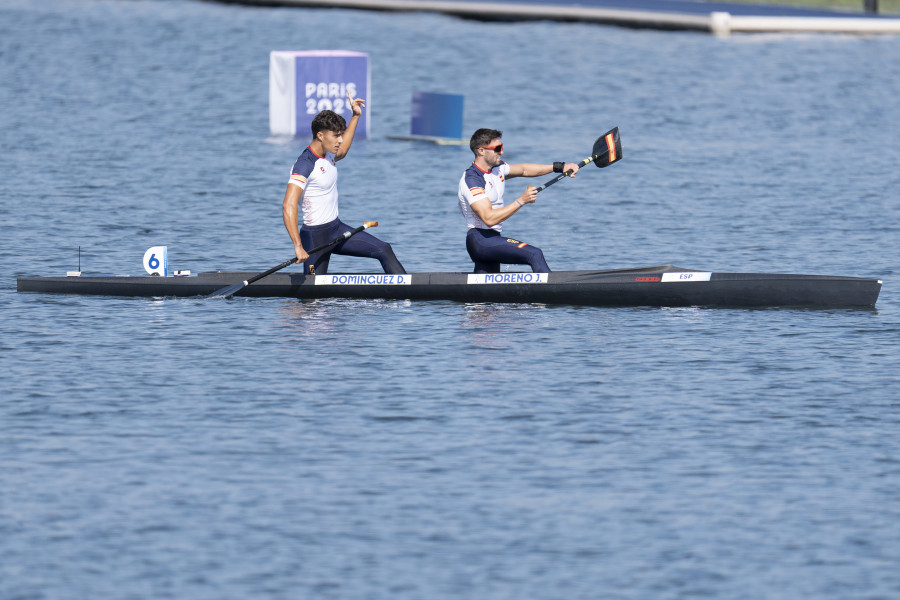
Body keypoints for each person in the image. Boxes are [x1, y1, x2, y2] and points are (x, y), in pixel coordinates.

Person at [282, 92, 406, 276]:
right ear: (320, 135)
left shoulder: (329, 154)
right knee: (314, 299)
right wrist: (298, 246)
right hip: (315, 238)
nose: (340, 140)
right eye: (336, 136)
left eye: (341, 135)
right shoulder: (305, 164)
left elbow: (344, 149)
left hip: (336, 229)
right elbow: (288, 205)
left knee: (383, 249)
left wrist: (355, 116)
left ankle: (405, 296)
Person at [457, 128, 580, 274]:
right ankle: (559, 295)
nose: (501, 152)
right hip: (481, 241)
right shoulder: (473, 180)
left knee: (485, 293)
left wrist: (559, 167)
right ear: (481, 151)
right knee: (535, 254)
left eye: (501, 147)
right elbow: (489, 218)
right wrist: (522, 200)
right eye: (497, 148)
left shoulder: (498, 168)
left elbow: (523, 169)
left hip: (492, 239)